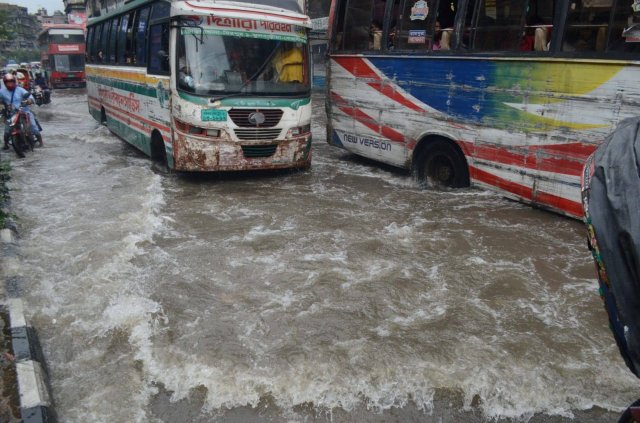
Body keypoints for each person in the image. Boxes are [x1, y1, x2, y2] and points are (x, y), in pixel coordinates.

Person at [0, 73, 42, 148]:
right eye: (8, 82)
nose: (10, 83)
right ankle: (6, 144)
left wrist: (29, 100)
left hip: (24, 111)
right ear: (5, 83)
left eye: (11, 81)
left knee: (33, 126)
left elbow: (30, 97)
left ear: (14, 82)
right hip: (11, 113)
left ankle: (40, 142)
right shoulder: (2, 91)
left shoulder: (20, 90)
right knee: (7, 131)